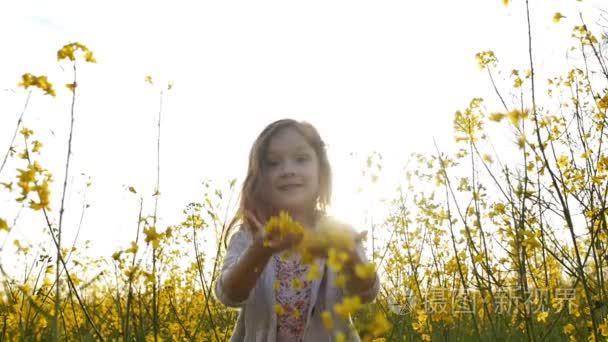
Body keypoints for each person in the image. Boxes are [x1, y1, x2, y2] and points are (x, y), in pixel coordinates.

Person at [214, 119, 379, 341]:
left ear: (321, 172)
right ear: (259, 178)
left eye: (301, 159)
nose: (288, 170)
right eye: (273, 163)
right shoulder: (250, 235)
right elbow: (229, 294)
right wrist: (259, 251)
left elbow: (366, 293)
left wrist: (348, 255)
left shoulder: (340, 233)